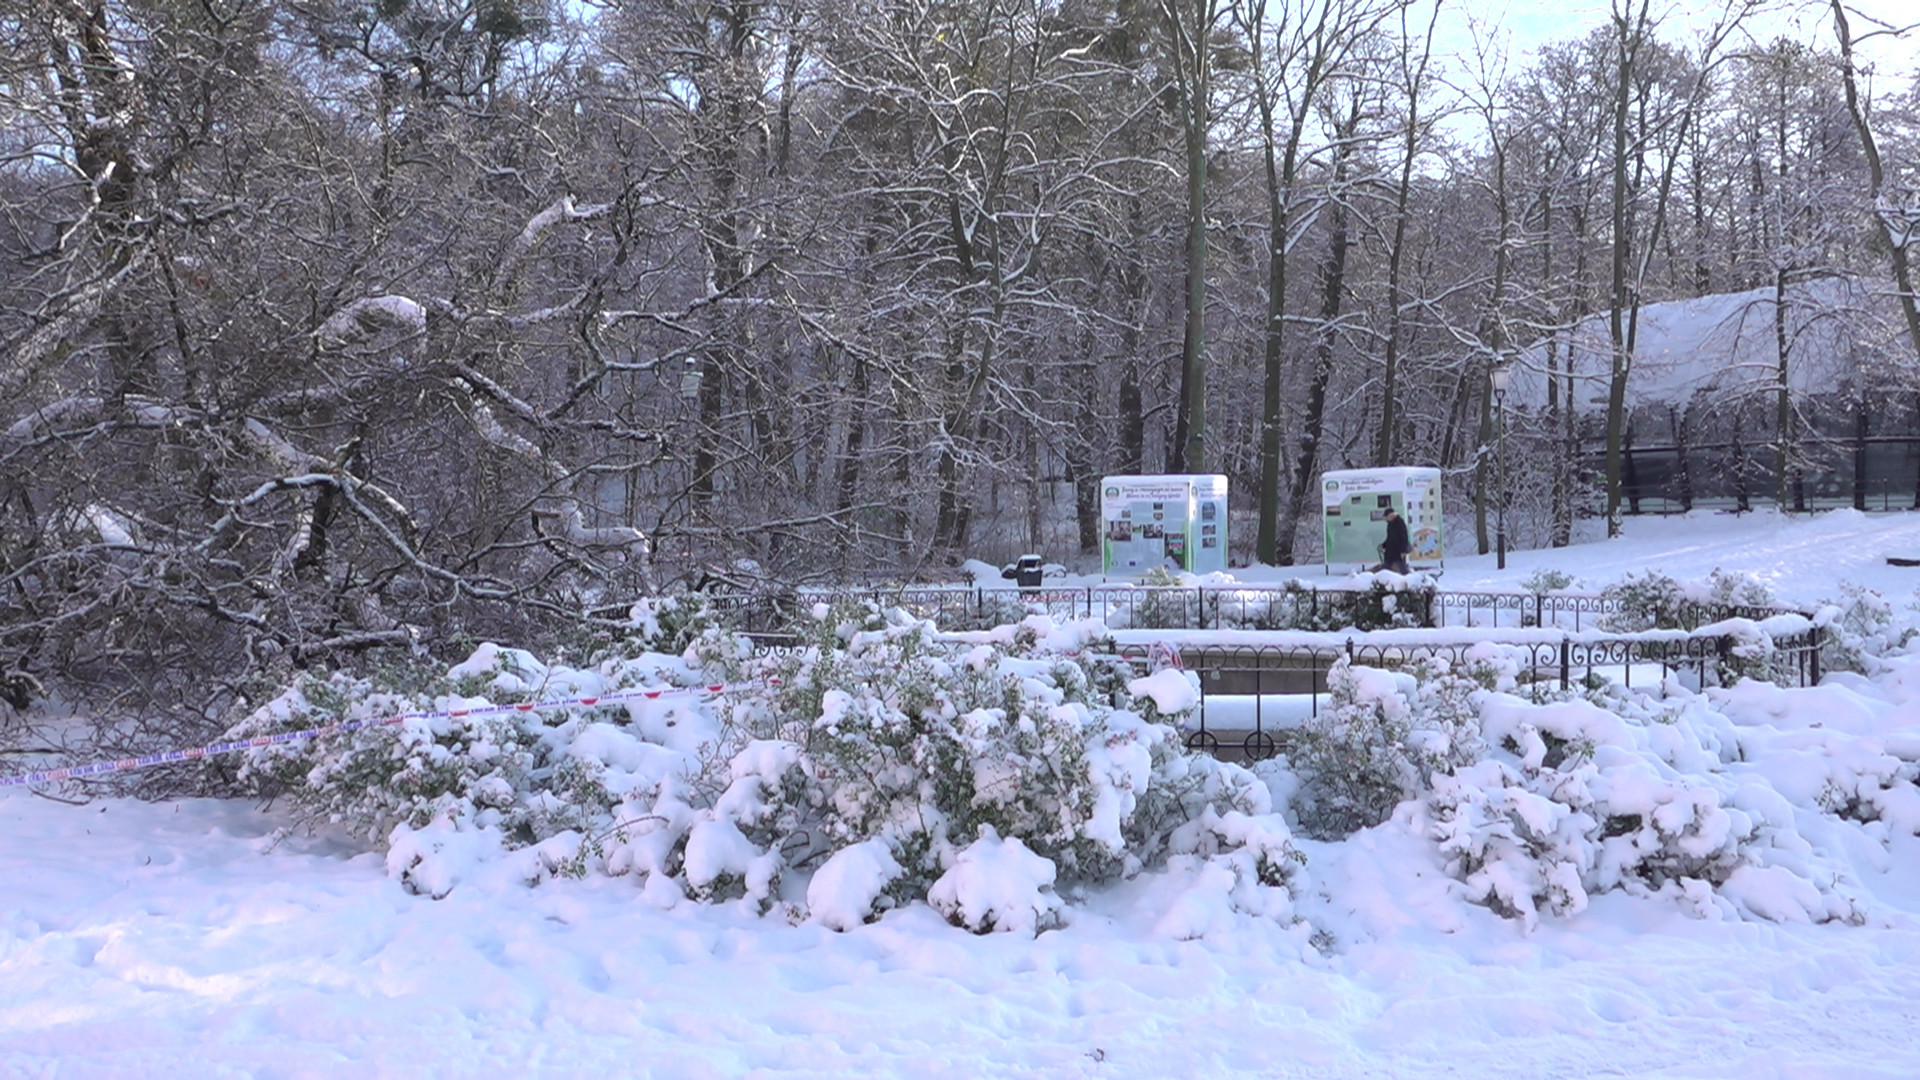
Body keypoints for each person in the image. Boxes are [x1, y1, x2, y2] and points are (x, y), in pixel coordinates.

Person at [1373, 509, 1411, 574]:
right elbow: (1390, 538)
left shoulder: (1400, 523)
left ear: (1391, 515)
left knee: (1401, 568)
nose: (1386, 519)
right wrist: (1384, 545)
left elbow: (1404, 537)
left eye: (1386, 517)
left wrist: (1403, 551)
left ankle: (1407, 579)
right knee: (1387, 568)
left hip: (1398, 551)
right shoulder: (1390, 524)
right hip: (1390, 551)